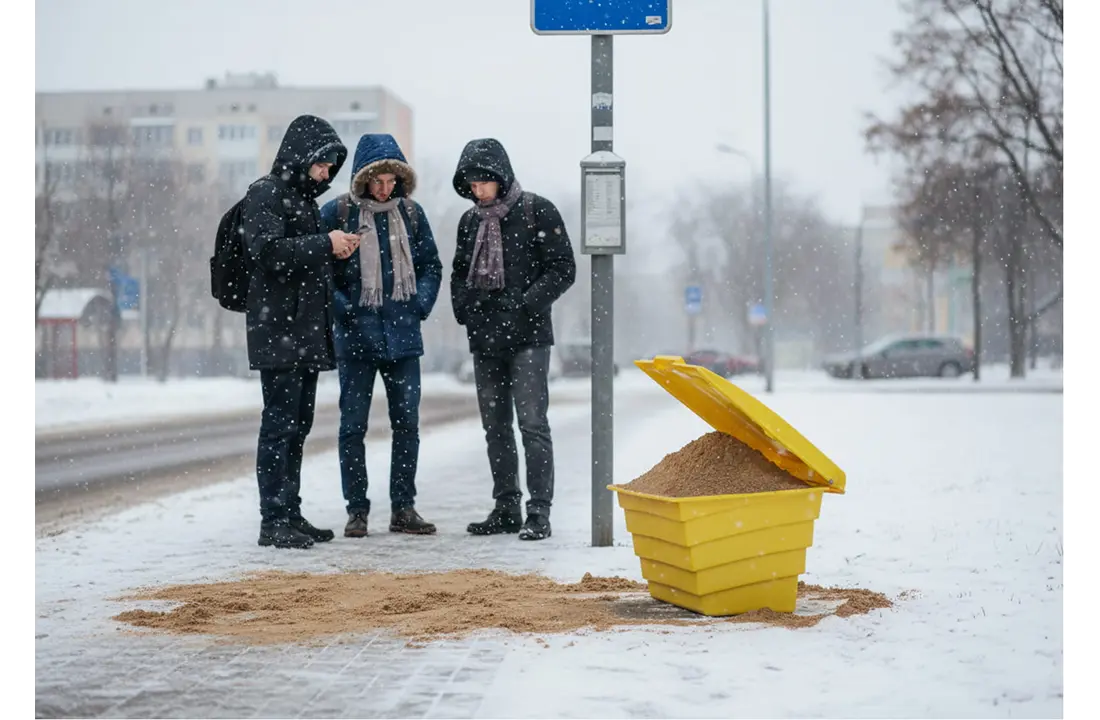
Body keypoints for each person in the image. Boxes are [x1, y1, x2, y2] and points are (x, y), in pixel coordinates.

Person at [450, 138, 577, 541]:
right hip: (484, 338)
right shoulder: (470, 222)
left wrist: (525, 305)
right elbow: (458, 273)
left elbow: (563, 268)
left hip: (528, 337)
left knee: (533, 424)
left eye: (484, 182)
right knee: (495, 427)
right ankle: (505, 506)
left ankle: (538, 512)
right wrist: (466, 310)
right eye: (471, 184)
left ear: (500, 178)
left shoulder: (537, 210)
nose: (478, 190)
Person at [241, 114, 358, 550]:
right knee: (279, 426)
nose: (327, 173)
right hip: (279, 331)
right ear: (301, 156)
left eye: (331, 166)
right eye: (323, 164)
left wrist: (337, 250)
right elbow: (269, 253)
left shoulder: (303, 201)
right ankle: (272, 520)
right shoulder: (266, 194)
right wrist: (326, 243)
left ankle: (290, 512)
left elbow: (304, 263)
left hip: (304, 331)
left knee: (299, 425)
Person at [319, 134, 442, 538]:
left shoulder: (412, 214)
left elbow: (431, 266)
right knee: (353, 427)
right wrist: (345, 309)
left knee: (407, 425)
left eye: (391, 180)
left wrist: (418, 305)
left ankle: (403, 508)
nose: (385, 188)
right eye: (378, 181)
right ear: (364, 180)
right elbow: (320, 272)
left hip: (403, 338)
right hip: (355, 338)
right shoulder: (338, 214)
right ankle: (357, 510)